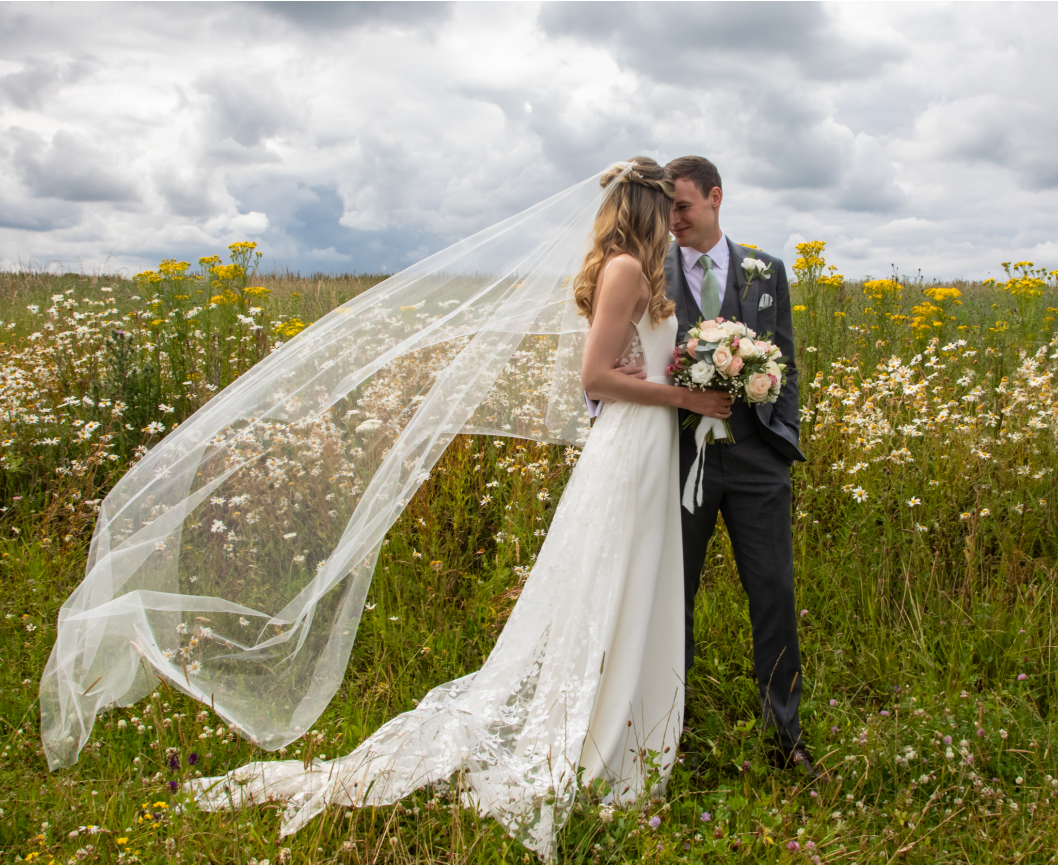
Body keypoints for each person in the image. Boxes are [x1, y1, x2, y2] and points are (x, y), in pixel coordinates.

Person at [186, 158, 701, 859]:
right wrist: (687, 397)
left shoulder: (639, 274)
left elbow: (625, 366)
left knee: (633, 579)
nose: (676, 223)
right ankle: (596, 730)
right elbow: (596, 376)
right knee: (613, 582)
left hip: (646, 448)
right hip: (631, 448)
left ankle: (627, 718)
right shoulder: (625, 273)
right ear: (647, 209)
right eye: (667, 209)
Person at [590, 155, 813, 773]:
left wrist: (782, 433)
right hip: (675, 457)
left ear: (716, 198)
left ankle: (784, 738)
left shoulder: (767, 271)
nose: (673, 219)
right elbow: (608, 355)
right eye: (667, 209)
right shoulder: (644, 268)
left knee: (773, 593)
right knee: (671, 597)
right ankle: (669, 735)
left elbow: (786, 361)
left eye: (683, 207)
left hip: (759, 461)